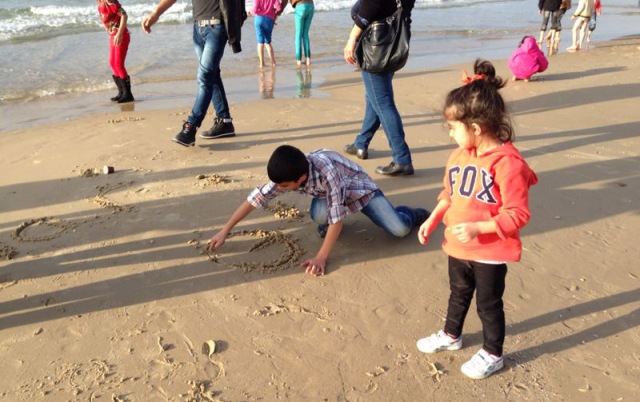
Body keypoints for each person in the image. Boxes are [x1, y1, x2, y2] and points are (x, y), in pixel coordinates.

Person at [415, 59, 538, 380]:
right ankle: (451, 334)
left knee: (488, 304)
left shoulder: (509, 164)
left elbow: (518, 213)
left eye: (453, 127)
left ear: (475, 127)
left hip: (491, 251)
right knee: (457, 293)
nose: (451, 134)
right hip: (458, 246)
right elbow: (449, 194)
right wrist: (433, 218)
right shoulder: (459, 156)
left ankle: (493, 353)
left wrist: (479, 227)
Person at [207, 145, 429, 276]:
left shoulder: (327, 171)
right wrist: (224, 231)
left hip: (361, 190)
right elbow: (254, 200)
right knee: (320, 216)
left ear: (301, 179)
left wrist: (321, 257)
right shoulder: (288, 174)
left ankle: (410, 213)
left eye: (284, 186)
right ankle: (329, 233)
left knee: (399, 229)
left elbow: (337, 219)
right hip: (330, 196)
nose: (280, 189)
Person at [141, 0, 247, 147]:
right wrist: (155, 14)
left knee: (205, 77)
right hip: (198, 28)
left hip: (217, 26)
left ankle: (190, 128)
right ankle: (225, 122)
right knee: (212, 75)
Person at [342, 0, 416, 177]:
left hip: (377, 45)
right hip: (393, 41)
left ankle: (402, 159)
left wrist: (351, 39)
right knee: (374, 98)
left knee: (382, 102)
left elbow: (371, 7)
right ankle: (361, 143)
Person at [98, 0, 134, 103]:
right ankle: (121, 92)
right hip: (113, 35)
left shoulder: (112, 3)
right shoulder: (101, 2)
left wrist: (119, 33)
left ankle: (128, 94)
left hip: (121, 36)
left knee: (118, 64)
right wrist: (107, 27)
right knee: (112, 63)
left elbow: (124, 16)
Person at [249, 0, 284, 68]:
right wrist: (274, 13)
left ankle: (262, 64)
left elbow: (255, 9)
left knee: (260, 42)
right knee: (268, 42)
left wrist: (250, 12)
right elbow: (279, 7)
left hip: (259, 19)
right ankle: (273, 62)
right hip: (269, 20)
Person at [281, 0, 315, 68]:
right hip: (311, 6)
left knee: (298, 34)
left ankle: (298, 60)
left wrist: (278, 13)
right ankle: (308, 59)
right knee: (305, 34)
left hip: (300, 6)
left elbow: (284, 1)